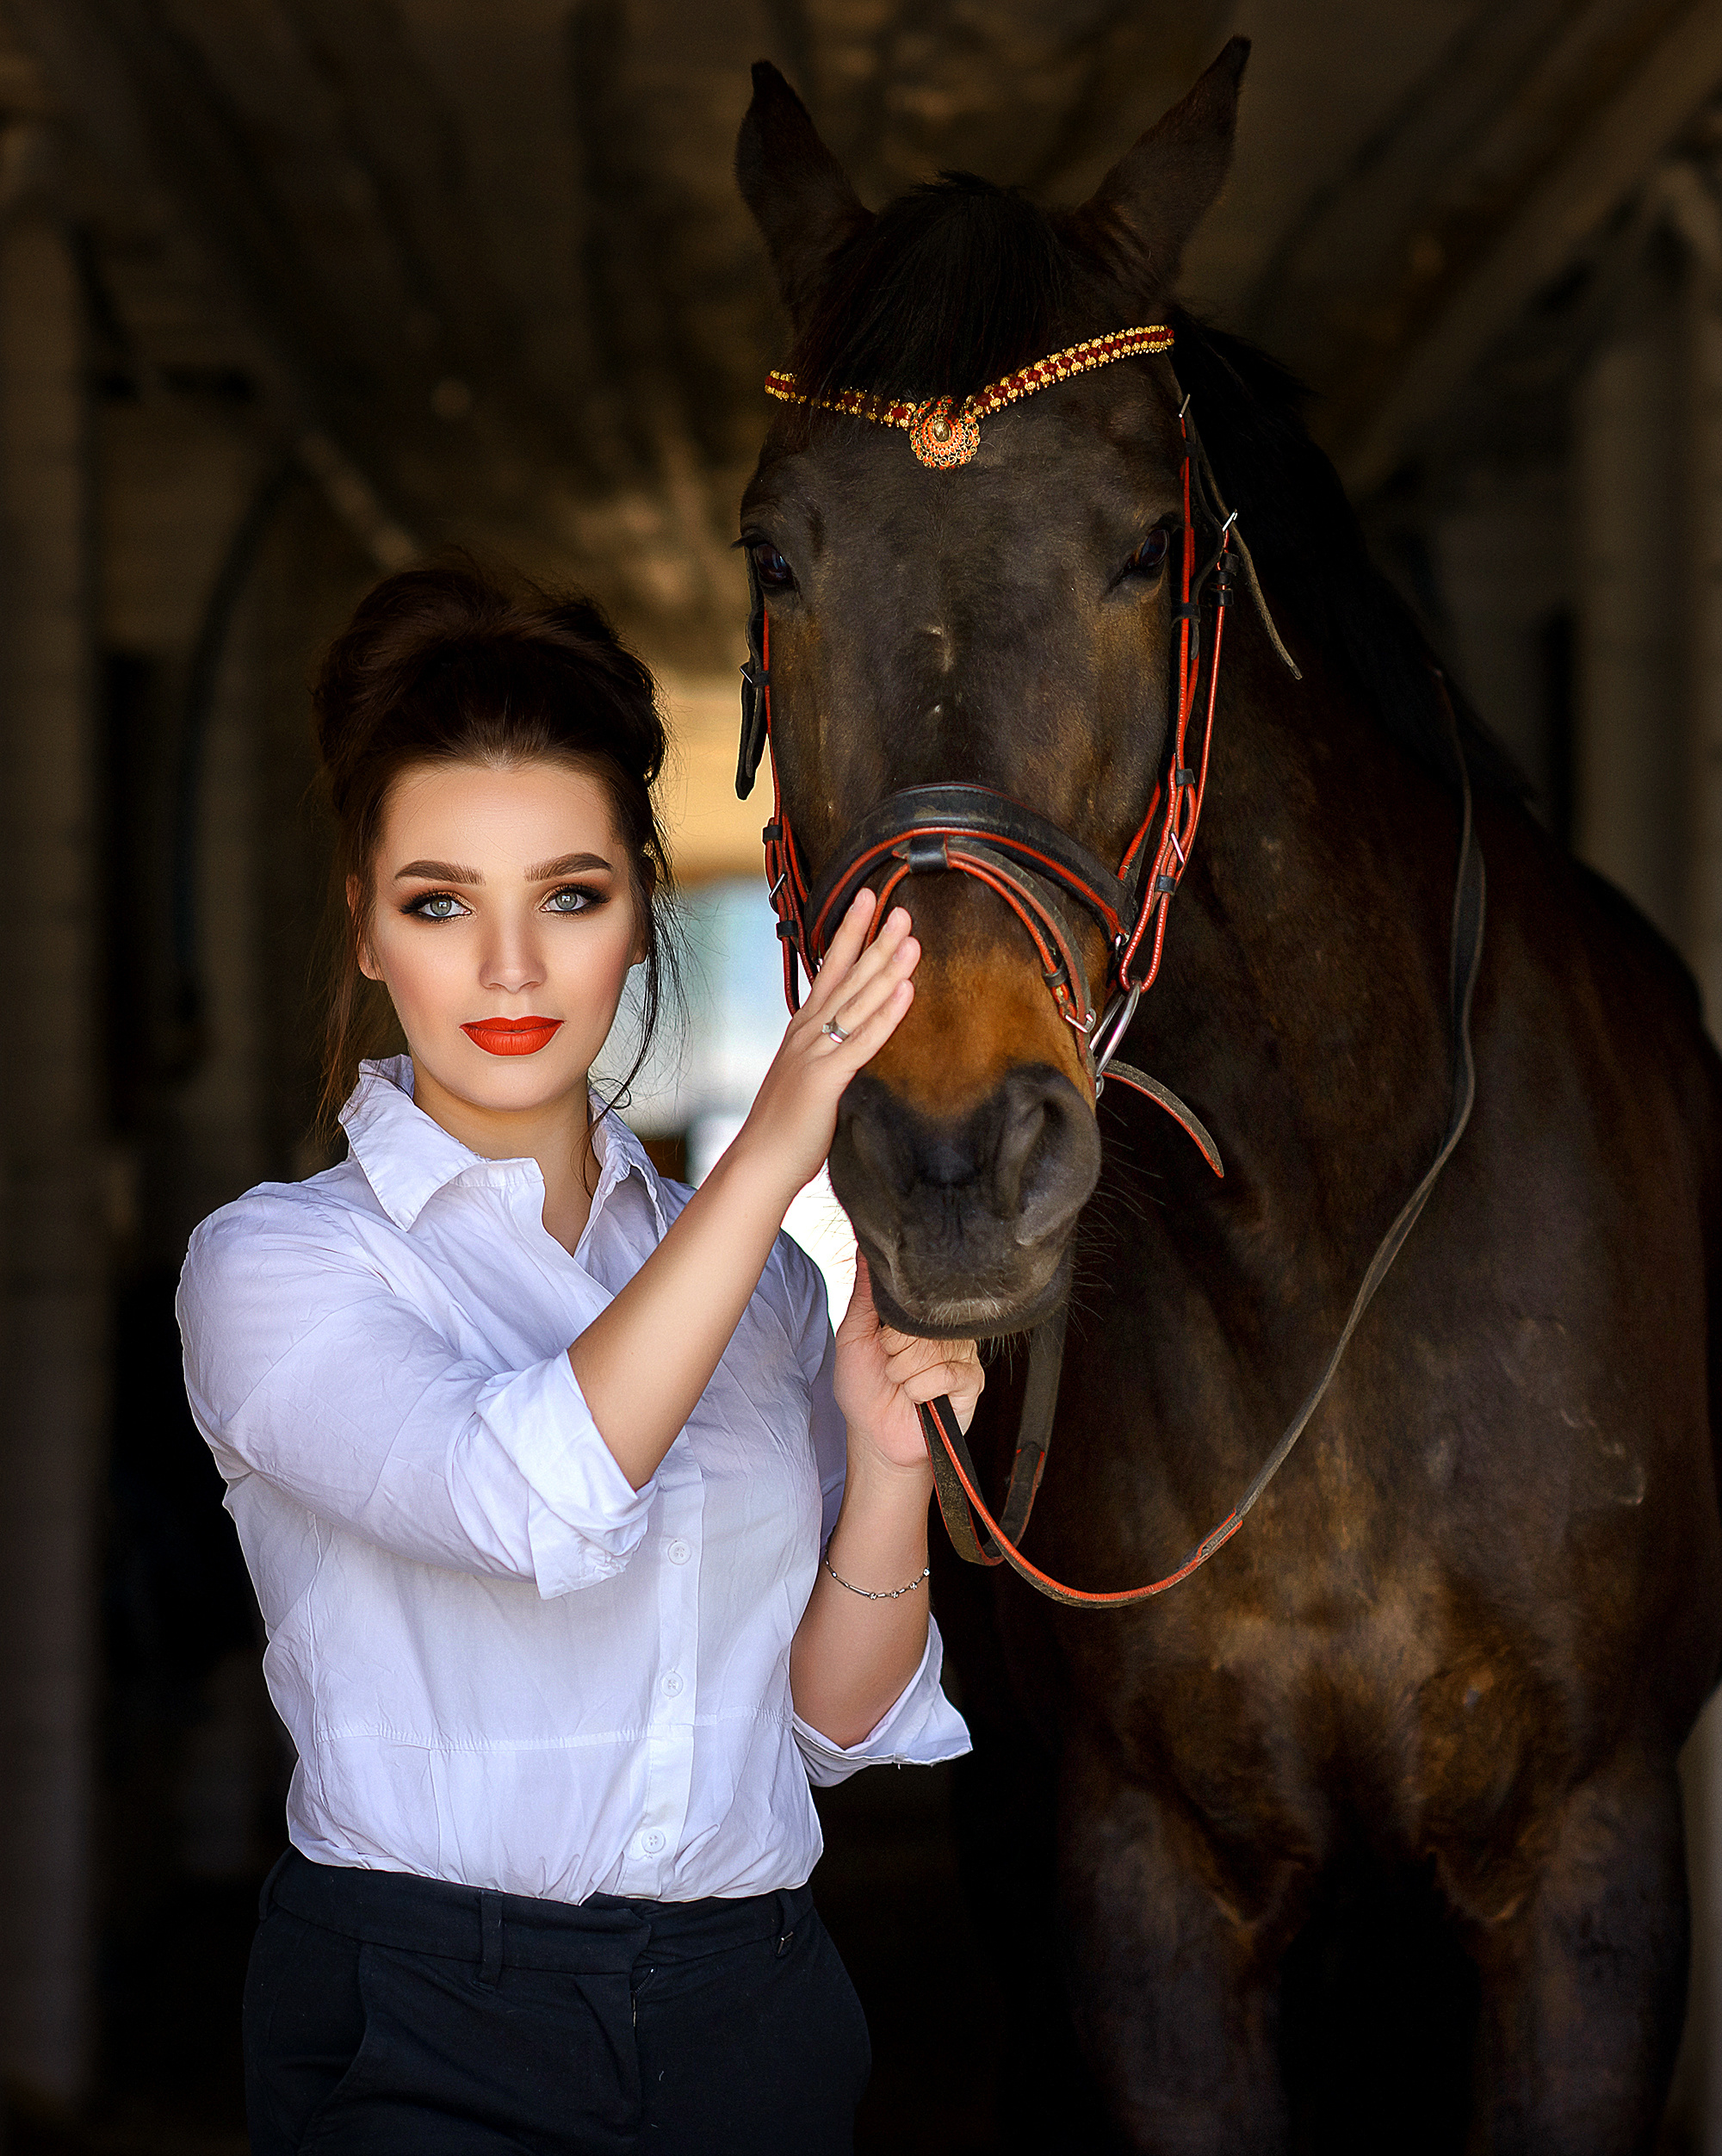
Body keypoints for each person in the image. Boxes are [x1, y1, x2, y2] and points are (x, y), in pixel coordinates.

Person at [176, 561, 981, 2155]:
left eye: (568, 893)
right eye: (437, 901)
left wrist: (888, 1469)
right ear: (362, 929)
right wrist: (769, 1161)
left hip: (758, 2008)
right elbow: (533, 1505)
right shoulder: (276, 1265)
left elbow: (823, 1731)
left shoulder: (757, 1303)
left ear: (638, 912)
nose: (511, 970)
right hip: (430, 2019)